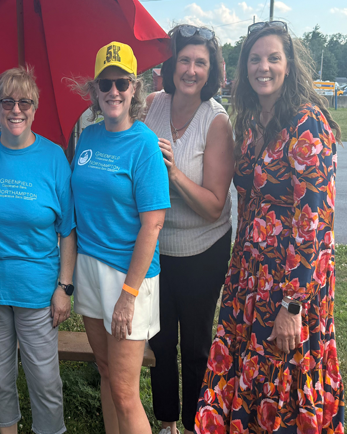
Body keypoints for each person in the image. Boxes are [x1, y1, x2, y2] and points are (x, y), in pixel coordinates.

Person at [195, 21, 345, 433]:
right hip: (249, 277)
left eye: (273, 58)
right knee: (247, 373)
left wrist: (292, 305)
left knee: (282, 381)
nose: (263, 67)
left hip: (289, 284)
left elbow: (314, 224)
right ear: (244, 68)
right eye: (255, 59)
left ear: (289, 64)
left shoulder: (307, 124)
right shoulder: (252, 123)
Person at [69, 41, 170, 434]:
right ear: (94, 90)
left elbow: (153, 225)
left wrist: (128, 295)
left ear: (135, 89)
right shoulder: (88, 136)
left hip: (129, 276)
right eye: (105, 84)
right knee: (107, 372)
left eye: (122, 83)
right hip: (89, 268)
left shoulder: (144, 144)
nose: (113, 91)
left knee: (126, 393)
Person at [0, 66, 76, 434]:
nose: (16, 110)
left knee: (45, 380)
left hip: (38, 291)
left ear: (35, 107)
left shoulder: (53, 158)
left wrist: (64, 287)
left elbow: (68, 230)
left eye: (24, 102)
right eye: (8, 102)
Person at [142, 25, 234, 434]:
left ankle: (197, 423)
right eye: (184, 60)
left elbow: (214, 207)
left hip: (203, 249)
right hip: (156, 246)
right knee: (160, 341)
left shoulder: (216, 121)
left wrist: (174, 174)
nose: (191, 70)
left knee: (195, 345)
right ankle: (167, 423)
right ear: (171, 64)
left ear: (211, 71)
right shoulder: (151, 105)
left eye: (200, 63)